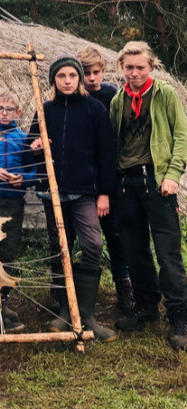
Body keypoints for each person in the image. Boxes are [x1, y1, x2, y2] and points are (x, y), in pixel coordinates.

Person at [29, 53, 117, 342]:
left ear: (79, 78)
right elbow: (30, 150)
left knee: (92, 244)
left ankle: (87, 313)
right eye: (61, 76)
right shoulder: (45, 110)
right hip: (53, 191)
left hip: (85, 192)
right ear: (53, 79)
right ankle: (66, 310)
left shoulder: (94, 109)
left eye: (72, 76)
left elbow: (106, 153)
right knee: (60, 247)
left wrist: (104, 192)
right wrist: (36, 145)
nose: (67, 81)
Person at [109, 41, 187, 350]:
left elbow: (181, 135)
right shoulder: (118, 101)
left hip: (156, 182)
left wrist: (172, 176)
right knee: (134, 249)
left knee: (167, 252)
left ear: (150, 67)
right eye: (129, 67)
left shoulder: (164, 94)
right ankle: (146, 307)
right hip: (127, 183)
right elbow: (115, 140)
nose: (134, 73)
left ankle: (180, 314)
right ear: (122, 68)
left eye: (140, 67)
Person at [76, 46, 134, 316]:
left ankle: (124, 287)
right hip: (83, 174)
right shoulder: (73, 97)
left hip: (109, 173)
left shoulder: (112, 95)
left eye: (95, 72)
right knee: (82, 235)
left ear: (104, 71)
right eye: (85, 73)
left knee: (115, 232)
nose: (91, 78)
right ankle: (71, 293)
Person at [0, 90, 37, 330]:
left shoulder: (23, 139)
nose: (4, 113)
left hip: (13, 203)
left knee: (8, 251)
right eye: (0, 108)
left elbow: (36, 170)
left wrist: (23, 178)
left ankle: (2, 302)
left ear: (18, 112)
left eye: (10, 109)